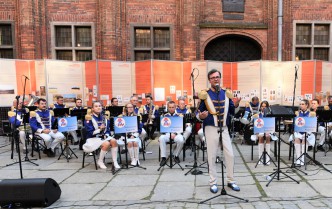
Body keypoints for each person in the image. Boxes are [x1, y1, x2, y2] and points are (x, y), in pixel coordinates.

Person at [197, 69, 240, 193]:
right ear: (209, 80)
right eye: (212, 77)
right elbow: (198, 113)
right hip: (211, 127)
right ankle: (213, 182)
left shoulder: (226, 93)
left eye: (217, 77)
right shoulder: (204, 94)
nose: (215, 79)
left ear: (220, 78)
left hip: (224, 128)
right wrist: (201, 117)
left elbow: (232, 112)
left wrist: (236, 105)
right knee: (211, 156)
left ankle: (231, 180)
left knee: (230, 154)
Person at [83, 101, 120, 169]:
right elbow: (90, 132)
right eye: (96, 106)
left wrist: (106, 134)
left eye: (100, 106)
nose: (98, 107)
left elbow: (108, 130)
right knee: (106, 144)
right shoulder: (89, 118)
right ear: (92, 109)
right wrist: (100, 130)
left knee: (114, 141)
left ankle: (114, 162)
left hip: (103, 137)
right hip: (92, 138)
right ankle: (100, 161)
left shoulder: (104, 117)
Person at [159, 101, 185, 166]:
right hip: (167, 133)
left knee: (181, 140)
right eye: (170, 107)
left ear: (175, 107)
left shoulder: (179, 116)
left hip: (177, 133)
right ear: (167, 107)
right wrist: (168, 133)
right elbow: (162, 129)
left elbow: (181, 128)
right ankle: (163, 157)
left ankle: (176, 155)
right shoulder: (164, 116)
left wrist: (175, 134)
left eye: (173, 107)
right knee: (161, 138)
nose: (171, 109)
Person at [293, 99, 315, 165]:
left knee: (304, 139)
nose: (301, 106)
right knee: (297, 139)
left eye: (303, 104)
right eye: (300, 104)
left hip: (308, 132)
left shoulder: (311, 113)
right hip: (298, 131)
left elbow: (313, 125)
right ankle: (298, 158)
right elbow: (295, 123)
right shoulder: (297, 113)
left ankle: (302, 158)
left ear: (307, 105)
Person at [252, 101, 273, 165]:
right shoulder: (257, 115)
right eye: (262, 106)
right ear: (260, 107)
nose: (263, 108)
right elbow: (255, 125)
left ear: (267, 107)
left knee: (267, 137)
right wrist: (257, 133)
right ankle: (260, 158)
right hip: (259, 132)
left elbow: (272, 125)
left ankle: (267, 158)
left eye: (265, 106)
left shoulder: (270, 115)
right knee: (261, 137)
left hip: (268, 131)